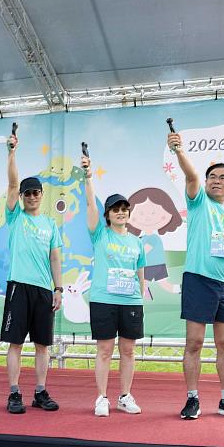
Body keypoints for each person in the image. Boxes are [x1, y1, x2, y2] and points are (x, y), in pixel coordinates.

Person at [166, 131, 224, 421]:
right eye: (212, 176)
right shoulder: (199, 202)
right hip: (198, 280)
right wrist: (179, 151)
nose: (216, 180)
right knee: (195, 343)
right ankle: (192, 398)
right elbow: (190, 176)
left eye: (223, 177)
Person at [1, 131, 63, 414]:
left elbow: (55, 257)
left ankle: (40, 391)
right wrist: (12, 152)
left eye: (36, 192)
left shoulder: (50, 224)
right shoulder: (15, 216)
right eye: (27, 193)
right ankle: (14, 393)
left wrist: (58, 288)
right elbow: (12, 182)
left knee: (42, 345)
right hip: (18, 287)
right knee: (15, 344)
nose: (32, 196)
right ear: (21, 197)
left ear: (41, 195)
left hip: (42, 290)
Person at [81, 154, 146, 417]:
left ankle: (125, 396)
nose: (121, 212)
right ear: (107, 214)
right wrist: (88, 177)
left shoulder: (137, 242)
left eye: (124, 209)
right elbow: (90, 203)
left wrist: (140, 296)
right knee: (105, 350)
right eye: (115, 209)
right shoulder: (100, 234)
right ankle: (101, 398)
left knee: (128, 350)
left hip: (130, 301)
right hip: (103, 300)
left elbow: (140, 271)